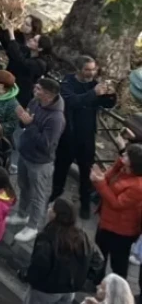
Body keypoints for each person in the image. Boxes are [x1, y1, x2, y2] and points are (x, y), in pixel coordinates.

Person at [54, 55, 117, 218]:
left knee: (85, 171)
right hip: (68, 134)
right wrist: (93, 93)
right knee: (61, 167)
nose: (91, 73)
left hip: (87, 136)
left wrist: (111, 94)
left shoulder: (95, 85)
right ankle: (55, 193)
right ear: (79, 70)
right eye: (87, 70)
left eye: (93, 69)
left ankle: (85, 204)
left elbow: (108, 104)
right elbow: (72, 101)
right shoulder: (67, 83)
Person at [13, 77, 67, 243]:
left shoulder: (56, 119)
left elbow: (46, 144)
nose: (34, 91)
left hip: (40, 162)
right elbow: (26, 120)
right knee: (23, 185)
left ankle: (33, 225)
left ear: (48, 95)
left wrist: (30, 124)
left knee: (38, 195)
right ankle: (22, 214)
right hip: (25, 153)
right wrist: (23, 121)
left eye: (38, 89)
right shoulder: (35, 102)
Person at [90, 144, 142, 287]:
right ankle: (96, 281)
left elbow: (117, 203)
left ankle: (118, 289)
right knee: (100, 254)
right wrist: (117, 165)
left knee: (118, 263)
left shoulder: (137, 186)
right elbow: (108, 178)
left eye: (126, 155)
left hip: (122, 232)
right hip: (107, 223)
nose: (122, 155)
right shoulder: (122, 170)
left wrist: (100, 183)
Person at [25, 198, 95, 304]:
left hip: (46, 291)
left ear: (56, 215)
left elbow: (39, 265)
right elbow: (98, 260)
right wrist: (81, 277)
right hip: (69, 291)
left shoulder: (48, 237)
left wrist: (28, 277)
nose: (49, 209)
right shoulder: (81, 235)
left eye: (52, 208)